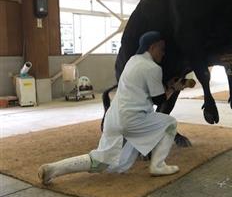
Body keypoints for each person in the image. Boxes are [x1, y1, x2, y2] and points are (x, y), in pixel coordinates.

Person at [38, 31, 188, 184]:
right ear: (153, 47)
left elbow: (144, 89)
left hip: (114, 118)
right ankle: (158, 165)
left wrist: (169, 86)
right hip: (132, 120)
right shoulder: (153, 68)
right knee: (170, 123)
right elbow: (159, 100)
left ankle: (53, 168)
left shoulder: (133, 61)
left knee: (101, 162)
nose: (163, 53)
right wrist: (174, 88)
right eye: (161, 49)